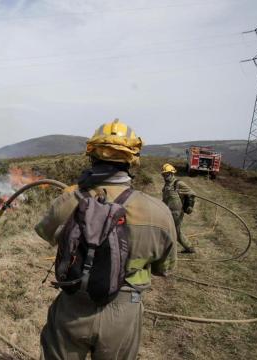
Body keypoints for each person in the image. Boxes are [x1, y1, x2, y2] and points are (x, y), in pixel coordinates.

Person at [34, 119, 177, 360]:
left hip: (73, 306)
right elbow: (165, 268)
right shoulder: (159, 212)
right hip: (124, 309)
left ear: (91, 155)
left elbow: (45, 233)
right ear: (133, 160)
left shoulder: (69, 201)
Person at [161, 163, 197, 254]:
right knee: (171, 230)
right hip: (167, 211)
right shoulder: (167, 185)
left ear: (172, 173)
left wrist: (190, 206)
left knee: (174, 231)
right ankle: (188, 248)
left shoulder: (178, 183)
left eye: (166, 174)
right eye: (164, 174)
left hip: (176, 213)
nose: (165, 176)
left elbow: (192, 193)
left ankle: (188, 248)